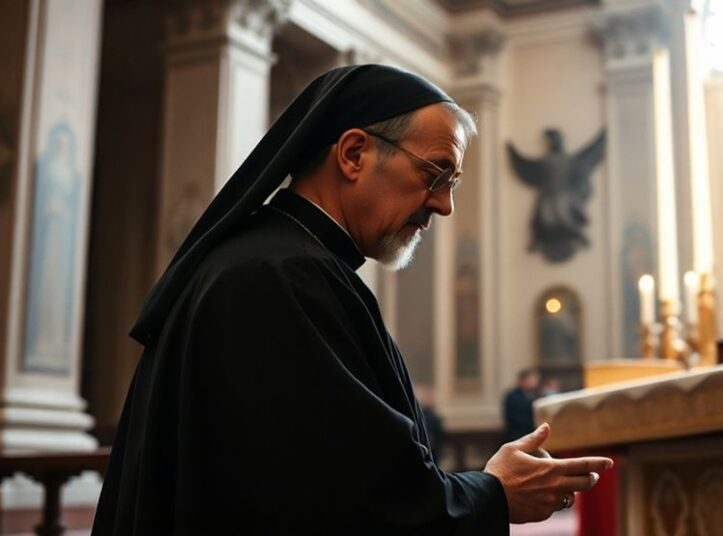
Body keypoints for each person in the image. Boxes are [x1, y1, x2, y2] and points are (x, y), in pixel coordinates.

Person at [93, 65, 611, 534]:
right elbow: (352, 505)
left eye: (451, 183)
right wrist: (492, 493)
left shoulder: (284, 264)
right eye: (435, 173)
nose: (445, 205)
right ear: (354, 154)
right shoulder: (282, 278)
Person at [502, 368, 539, 443]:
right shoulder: (512, 396)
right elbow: (515, 418)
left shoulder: (533, 395)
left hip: (530, 435)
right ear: (524, 380)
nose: (535, 382)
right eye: (533, 379)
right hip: (517, 437)